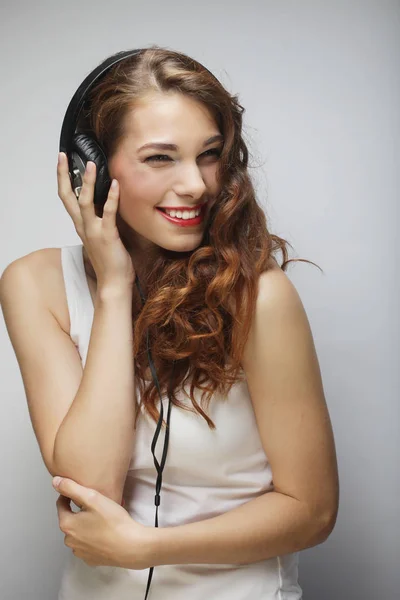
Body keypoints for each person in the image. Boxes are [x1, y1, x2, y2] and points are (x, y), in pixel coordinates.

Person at [0, 46, 339, 599]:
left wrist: (147, 548)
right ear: (94, 168)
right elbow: (91, 485)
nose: (198, 185)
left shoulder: (260, 298)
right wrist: (114, 289)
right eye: (160, 158)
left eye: (209, 155)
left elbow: (312, 511)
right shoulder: (33, 284)